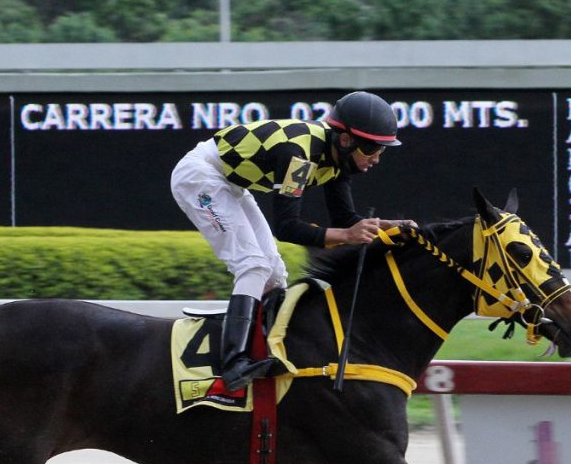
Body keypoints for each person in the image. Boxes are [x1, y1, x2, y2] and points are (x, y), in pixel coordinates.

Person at [171, 90, 406, 392]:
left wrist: (387, 229)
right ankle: (233, 363)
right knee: (253, 265)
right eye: (372, 148)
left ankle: (265, 350)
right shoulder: (299, 154)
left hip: (231, 184)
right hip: (200, 176)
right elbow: (287, 227)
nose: (376, 158)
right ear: (346, 140)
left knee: (274, 274)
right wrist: (347, 236)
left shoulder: (338, 159)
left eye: (382, 150)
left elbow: (346, 221)